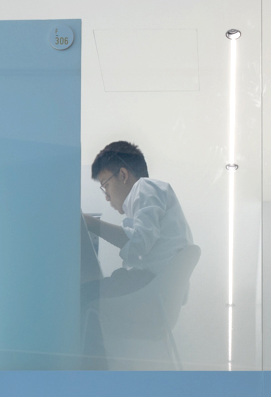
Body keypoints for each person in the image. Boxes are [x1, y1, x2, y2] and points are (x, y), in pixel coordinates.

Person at [81, 141, 194, 359]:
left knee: (82, 296)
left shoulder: (145, 187)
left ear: (123, 175)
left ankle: (88, 368)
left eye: (105, 185)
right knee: (95, 294)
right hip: (158, 294)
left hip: (147, 284)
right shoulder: (158, 195)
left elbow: (140, 243)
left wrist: (90, 223)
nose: (106, 197)